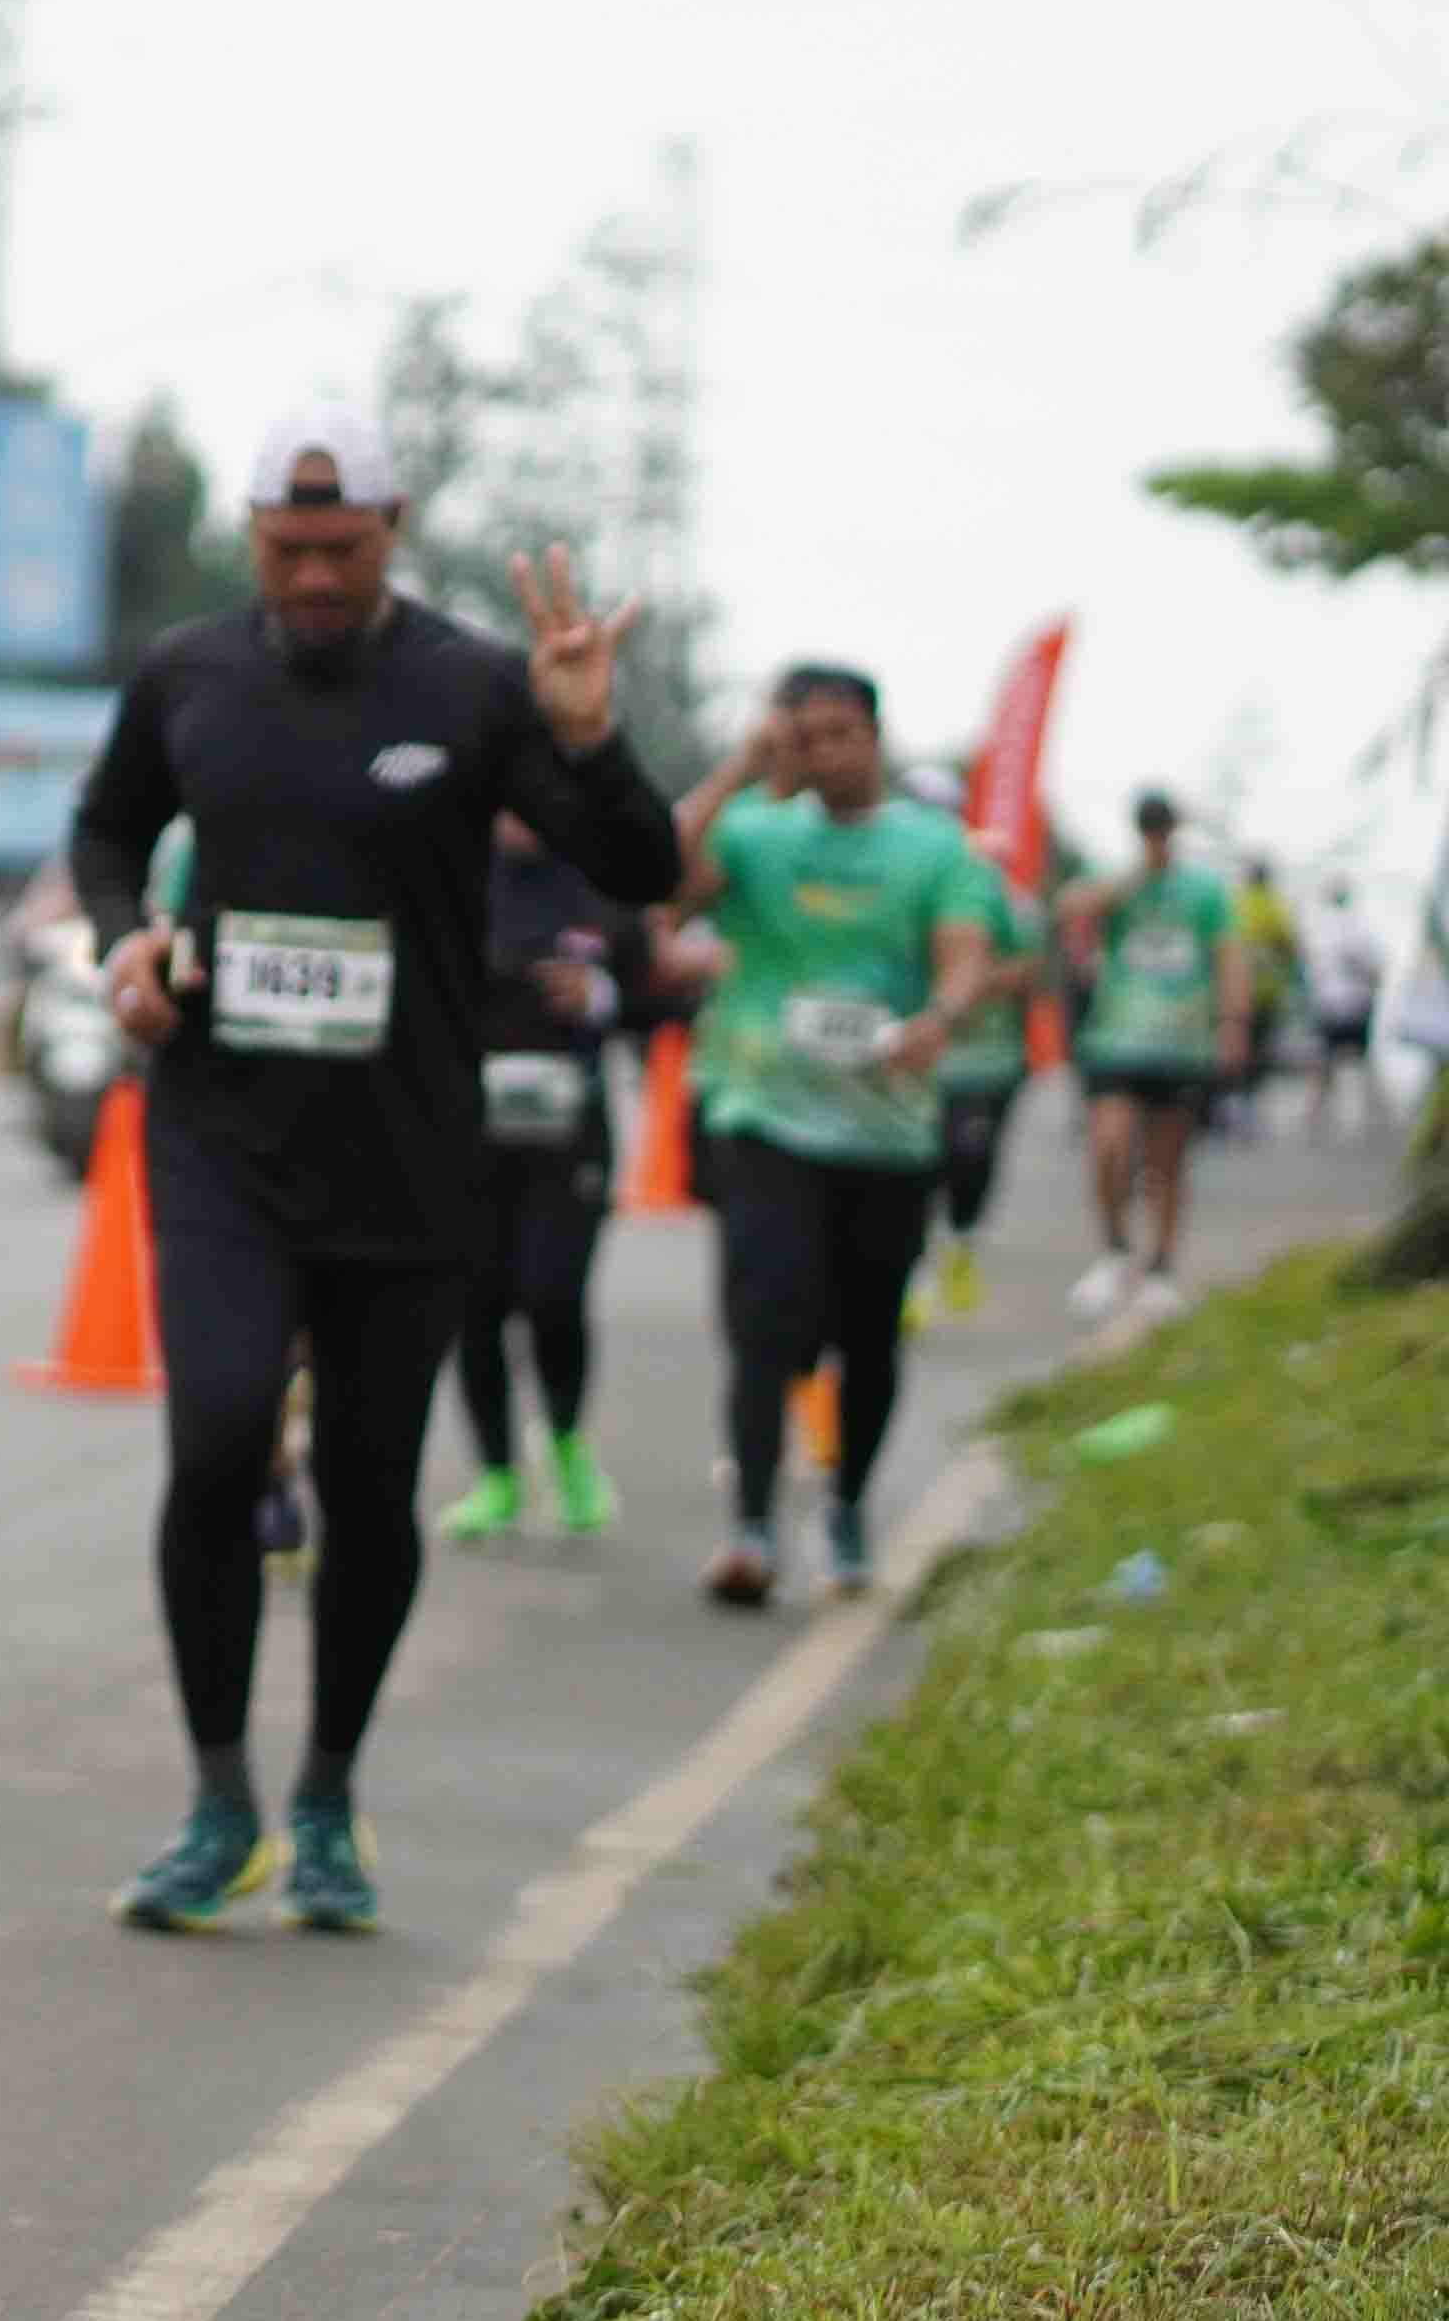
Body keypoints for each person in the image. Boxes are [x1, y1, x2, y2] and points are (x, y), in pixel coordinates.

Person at [68, 402, 674, 1934]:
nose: (318, 577)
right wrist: (126, 940)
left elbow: (641, 869)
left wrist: (588, 739)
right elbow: (106, 832)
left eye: (344, 548)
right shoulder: (190, 672)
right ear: (255, 540)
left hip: (408, 1151)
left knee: (368, 1483)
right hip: (221, 1135)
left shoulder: (474, 685)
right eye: (290, 549)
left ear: (392, 532)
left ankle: (329, 1797)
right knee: (218, 1440)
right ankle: (222, 1805)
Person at [667, 670, 997, 1606]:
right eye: (804, 736)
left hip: (885, 1133)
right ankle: (752, 1528)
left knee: (868, 1338)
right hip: (762, 1114)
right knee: (767, 1321)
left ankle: (847, 1506)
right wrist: (736, 768)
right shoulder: (756, 832)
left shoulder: (936, 848)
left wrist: (940, 1017)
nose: (824, 752)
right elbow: (666, 884)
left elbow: (966, 957)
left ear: (876, 737)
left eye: (841, 732)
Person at [438, 810, 653, 1543]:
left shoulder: (599, 880)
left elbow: (655, 994)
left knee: (553, 1294)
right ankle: (496, 1475)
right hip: (469, 1128)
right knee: (476, 1307)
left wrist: (598, 996)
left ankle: (565, 1446)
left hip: (568, 1131)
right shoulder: (450, 869)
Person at [1059, 790, 1251, 1326]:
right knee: (1109, 1147)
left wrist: (1233, 1024)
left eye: (1162, 830)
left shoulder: (1205, 890)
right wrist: (1137, 872)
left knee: (1167, 1163)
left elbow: (1229, 956)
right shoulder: (1117, 879)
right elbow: (1072, 909)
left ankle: (1162, 1268)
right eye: (1149, 831)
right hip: (1115, 1041)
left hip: (1181, 1046)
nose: (1157, 839)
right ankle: (1114, 1252)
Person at [898, 765, 1041, 1322]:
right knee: (913, 1169)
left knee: (969, 1162)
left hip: (984, 1061)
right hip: (914, 1061)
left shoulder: (991, 889)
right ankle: (911, 1276)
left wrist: (963, 987)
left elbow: (1025, 970)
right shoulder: (892, 884)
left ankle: (960, 1243)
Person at [1304, 875, 1390, 1140]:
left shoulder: (1319, 926)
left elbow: (1310, 966)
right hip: (1355, 1002)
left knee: (1325, 1059)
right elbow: (1376, 966)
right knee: (1357, 1059)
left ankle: (1315, 1114)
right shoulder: (1357, 925)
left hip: (1328, 1003)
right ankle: (1369, 1115)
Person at [1223, 857, 1304, 1133]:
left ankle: (1230, 1102)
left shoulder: (1235, 902)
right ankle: (1246, 1104)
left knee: (1234, 1045)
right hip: (1265, 992)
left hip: (1232, 991)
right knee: (1259, 1049)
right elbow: (1291, 946)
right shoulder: (1275, 905)